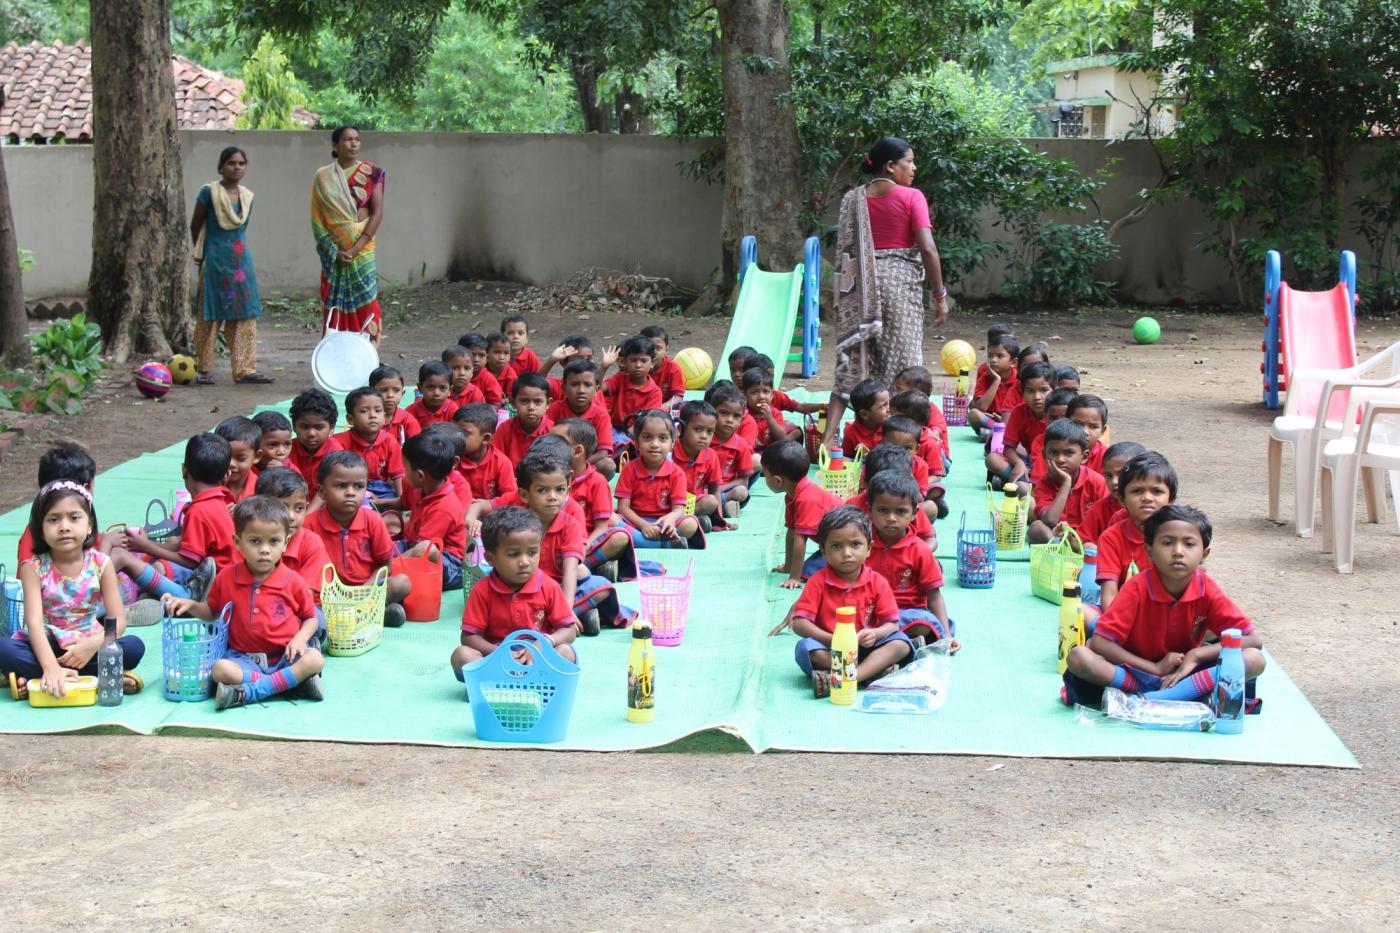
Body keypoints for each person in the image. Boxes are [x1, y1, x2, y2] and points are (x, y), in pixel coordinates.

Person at [1063, 504, 1266, 708]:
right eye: (1167, 543)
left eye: (1189, 544)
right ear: (1149, 550)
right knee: (1079, 657)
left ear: (1204, 554)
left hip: (1185, 673)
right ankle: (1179, 696)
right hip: (1135, 669)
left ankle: (1152, 700)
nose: (1178, 552)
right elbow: (1101, 643)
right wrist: (1155, 668)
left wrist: (1196, 655)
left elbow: (1252, 640)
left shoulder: (1207, 589)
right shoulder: (1136, 588)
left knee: (1254, 659)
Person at [824, 136, 950, 448]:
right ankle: (903, 442)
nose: (914, 168)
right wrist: (939, 295)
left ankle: (828, 438)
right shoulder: (911, 197)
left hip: (857, 287)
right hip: (897, 284)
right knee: (903, 365)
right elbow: (928, 249)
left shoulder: (852, 199)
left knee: (853, 361)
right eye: (909, 161)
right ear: (891, 166)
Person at [164, 496, 324, 711]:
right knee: (220, 669)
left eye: (273, 541)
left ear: (285, 543)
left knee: (315, 659)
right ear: (238, 542)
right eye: (255, 541)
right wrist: (190, 604)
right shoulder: (226, 577)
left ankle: (250, 692)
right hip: (244, 659)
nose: (265, 550)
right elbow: (212, 612)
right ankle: (289, 685)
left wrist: (299, 639)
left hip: (285, 657)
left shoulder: (293, 581)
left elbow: (311, 619)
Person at [2, 481, 145, 701]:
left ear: (89, 525)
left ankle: (35, 681)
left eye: (74, 517)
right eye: (53, 519)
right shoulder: (33, 568)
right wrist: (50, 666)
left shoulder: (101, 564)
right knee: (5, 648)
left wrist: (92, 645)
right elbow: (34, 623)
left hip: (87, 646)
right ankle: (96, 677)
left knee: (134, 647)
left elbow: (118, 620)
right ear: (40, 528)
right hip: (45, 646)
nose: (64, 526)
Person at [775, 506, 912, 698]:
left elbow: (892, 624)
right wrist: (832, 640)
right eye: (836, 546)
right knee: (805, 649)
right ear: (823, 551)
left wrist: (874, 633)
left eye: (855, 544)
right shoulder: (817, 582)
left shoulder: (877, 582)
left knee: (901, 644)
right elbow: (798, 623)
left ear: (869, 548)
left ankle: (849, 679)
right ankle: (872, 674)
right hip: (831, 651)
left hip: (867, 648)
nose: (846, 553)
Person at [451, 506, 578, 681]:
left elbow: (569, 630)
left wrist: (544, 643)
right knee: (461, 656)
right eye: (513, 554)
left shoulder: (549, 586)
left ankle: (531, 683)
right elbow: (468, 637)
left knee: (566, 652)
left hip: (538, 657)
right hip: (496, 658)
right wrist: (499, 654)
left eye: (532, 552)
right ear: (490, 558)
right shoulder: (481, 590)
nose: (525, 562)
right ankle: (499, 683)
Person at [189, 146, 273, 384]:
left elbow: (241, 229)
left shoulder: (248, 197)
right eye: (231, 163)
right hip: (214, 260)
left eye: (241, 163)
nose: (237, 168)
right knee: (210, 312)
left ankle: (245, 369)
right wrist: (202, 252)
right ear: (221, 166)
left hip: (240, 262)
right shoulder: (208, 193)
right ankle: (203, 369)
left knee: (245, 314)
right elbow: (195, 225)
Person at [303, 451, 409, 627]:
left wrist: (365, 590)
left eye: (359, 486)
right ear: (322, 492)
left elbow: (386, 565)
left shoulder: (373, 520)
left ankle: (364, 612)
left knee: (402, 583)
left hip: (366, 590)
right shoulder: (309, 525)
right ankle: (373, 615)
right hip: (328, 595)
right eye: (341, 486)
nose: (351, 492)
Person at [863, 470, 956, 650]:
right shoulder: (862, 545)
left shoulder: (920, 550)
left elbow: (934, 596)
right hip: (870, 612)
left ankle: (888, 643)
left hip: (907, 614)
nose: (891, 518)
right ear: (870, 510)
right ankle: (902, 645)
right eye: (883, 510)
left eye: (900, 512)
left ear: (914, 513)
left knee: (925, 622)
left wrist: (946, 637)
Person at [311, 126, 386, 342]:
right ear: (335, 145)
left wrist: (355, 248)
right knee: (334, 307)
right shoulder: (323, 177)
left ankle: (367, 358)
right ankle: (334, 358)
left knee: (368, 303)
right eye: (347, 139)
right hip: (335, 253)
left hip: (362, 250)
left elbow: (377, 213)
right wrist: (334, 252)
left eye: (357, 139)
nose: (353, 144)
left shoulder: (372, 173)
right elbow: (318, 219)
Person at [1097, 452, 1178, 611]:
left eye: (1156, 491)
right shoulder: (1111, 538)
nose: (1147, 497)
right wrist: (1116, 625)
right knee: (1083, 611)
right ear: (1122, 499)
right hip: (1126, 612)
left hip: (1170, 613)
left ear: (1171, 499)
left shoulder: (1180, 535)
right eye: (1137, 491)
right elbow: (1109, 594)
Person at [615, 410, 704, 550]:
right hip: (635, 522)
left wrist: (671, 518)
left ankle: (639, 543)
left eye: (663, 438)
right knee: (610, 519)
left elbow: (679, 509)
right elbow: (623, 507)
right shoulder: (629, 469)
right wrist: (644, 525)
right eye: (647, 437)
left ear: (672, 444)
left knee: (690, 523)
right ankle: (663, 544)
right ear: (636, 443)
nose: (655, 444)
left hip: (664, 525)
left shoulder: (677, 473)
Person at [763, 440, 843, 588]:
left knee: (807, 572)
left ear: (778, 480)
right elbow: (792, 531)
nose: (765, 478)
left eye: (765, 475)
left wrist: (794, 577)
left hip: (844, 543)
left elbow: (800, 541)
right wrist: (788, 565)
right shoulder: (792, 495)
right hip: (830, 544)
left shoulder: (807, 499)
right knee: (808, 568)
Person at [399, 432, 468, 591]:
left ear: (420, 475)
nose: (403, 472)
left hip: (449, 563)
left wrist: (396, 562)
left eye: (405, 467)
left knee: (423, 550)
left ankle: (393, 573)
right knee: (385, 548)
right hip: (413, 545)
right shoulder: (423, 489)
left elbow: (424, 549)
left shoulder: (443, 507)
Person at [1029, 419, 1109, 543]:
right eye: (1054, 453)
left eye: (1069, 453)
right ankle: (1061, 548)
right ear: (1044, 455)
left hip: (1088, 539)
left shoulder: (1097, 482)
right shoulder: (1045, 483)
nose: (1060, 459)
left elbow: (1106, 520)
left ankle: (1073, 549)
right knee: (1036, 528)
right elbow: (1050, 520)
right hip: (1058, 535)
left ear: (1084, 457)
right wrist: (1066, 483)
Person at [333, 386, 405, 510]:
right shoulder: (339, 442)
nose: (372, 416)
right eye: (364, 411)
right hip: (350, 486)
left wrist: (401, 500)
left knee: (391, 506)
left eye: (377, 411)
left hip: (381, 490)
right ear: (350, 419)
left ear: (384, 415)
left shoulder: (389, 441)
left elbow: (397, 474)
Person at [546, 358, 617, 478]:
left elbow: (603, 452)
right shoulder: (555, 409)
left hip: (588, 463)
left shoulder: (600, 414)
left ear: (597, 390)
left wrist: (577, 464)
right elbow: (547, 443)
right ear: (563, 388)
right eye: (574, 384)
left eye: (588, 385)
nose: (581, 390)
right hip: (558, 461)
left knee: (607, 465)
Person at [985, 361, 1053, 486]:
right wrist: (1018, 463)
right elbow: (1008, 447)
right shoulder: (1019, 412)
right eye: (1030, 391)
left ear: (1054, 390)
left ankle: (1017, 483)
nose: (1037, 396)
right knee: (992, 459)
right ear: (1022, 392)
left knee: (1024, 487)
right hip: (1027, 461)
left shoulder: (1059, 413)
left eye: (1043, 390)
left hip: (1052, 463)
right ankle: (1022, 481)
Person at [705, 382, 755, 523]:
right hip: (700, 491)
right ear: (713, 413)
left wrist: (719, 490)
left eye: (736, 416)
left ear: (741, 419)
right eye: (724, 413)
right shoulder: (703, 440)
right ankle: (714, 510)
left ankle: (716, 507)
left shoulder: (741, 445)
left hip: (725, 490)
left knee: (741, 492)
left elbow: (744, 481)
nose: (729, 420)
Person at [1079, 441, 1147, 543]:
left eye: (1121, 474)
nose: (1114, 482)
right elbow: (1081, 541)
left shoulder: (1151, 506)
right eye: (1108, 476)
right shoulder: (1099, 509)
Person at [603, 336, 663, 447]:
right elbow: (598, 389)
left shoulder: (655, 392)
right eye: (633, 360)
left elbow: (645, 421)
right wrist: (604, 367)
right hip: (614, 428)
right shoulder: (620, 378)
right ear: (624, 362)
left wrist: (625, 436)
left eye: (643, 360)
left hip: (638, 432)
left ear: (652, 362)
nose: (638, 365)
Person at [672, 400, 723, 529]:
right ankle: (692, 522)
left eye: (710, 431)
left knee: (711, 501)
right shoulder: (669, 452)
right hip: (668, 503)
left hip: (691, 504)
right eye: (698, 430)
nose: (704, 436)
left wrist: (720, 521)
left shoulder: (710, 455)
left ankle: (690, 520)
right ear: (680, 429)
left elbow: (715, 489)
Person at [452, 404, 518, 501]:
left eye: (464, 433)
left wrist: (486, 506)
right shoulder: (452, 458)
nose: (456, 437)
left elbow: (511, 496)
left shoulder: (501, 462)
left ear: (486, 438)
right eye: (454, 431)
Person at [287, 388, 342, 501]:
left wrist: (307, 517)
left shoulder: (336, 453)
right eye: (304, 427)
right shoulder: (287, 449)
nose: (311, 433)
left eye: (319, 427)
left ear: (331, 427)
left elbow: (326, 491)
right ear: (294, 426)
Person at [493, 373, 553, 464]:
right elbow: (496, 461)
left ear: (548, 403)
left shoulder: (553, 431)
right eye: (524, 401)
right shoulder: (505, 429)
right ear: (512, 403)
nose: (531, 407)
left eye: (538, 402)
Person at [738, 367, 800, 453]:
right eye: (754, 392)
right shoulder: (741, 414)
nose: (761, 397)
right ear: (744, 395)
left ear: (772, 395)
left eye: (766, 392)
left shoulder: (775, 413)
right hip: (750, 452)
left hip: (771, 451)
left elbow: (782, 438)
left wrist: (770, 418)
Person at [369, 365, 421, 446]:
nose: (390, 395)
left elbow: (417, 447)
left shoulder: (407, 420)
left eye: (396, 390)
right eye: (383, 390)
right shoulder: (366, 418)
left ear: (402, 393)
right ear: (371, 392)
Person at [215, 416, 262, 502]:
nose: (231, 464)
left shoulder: (261, 488)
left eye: (240, 458)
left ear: (257, 456)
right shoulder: (209, 485)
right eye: (226, 456)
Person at [841, 379, 891, 458]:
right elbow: (846, 458)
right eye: (883, 406)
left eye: (888, 403)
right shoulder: (851, 433)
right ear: (864, 414)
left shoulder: (891, 428)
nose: (889, 409)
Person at [640, 325, 685, 408]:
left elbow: (678, 397)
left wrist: (660, 408)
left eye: (658, 348)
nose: (654, 352)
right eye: (649, 348)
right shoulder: (636, 366)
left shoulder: (673, 368)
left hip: (662, 410)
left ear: (666, 350)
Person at [406, 361, 460, 429]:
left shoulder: (452, 410)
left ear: (450, 390)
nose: (436, 393)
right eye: (430, 387)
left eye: (442, 388)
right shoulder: (411, 411)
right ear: (420, 388)